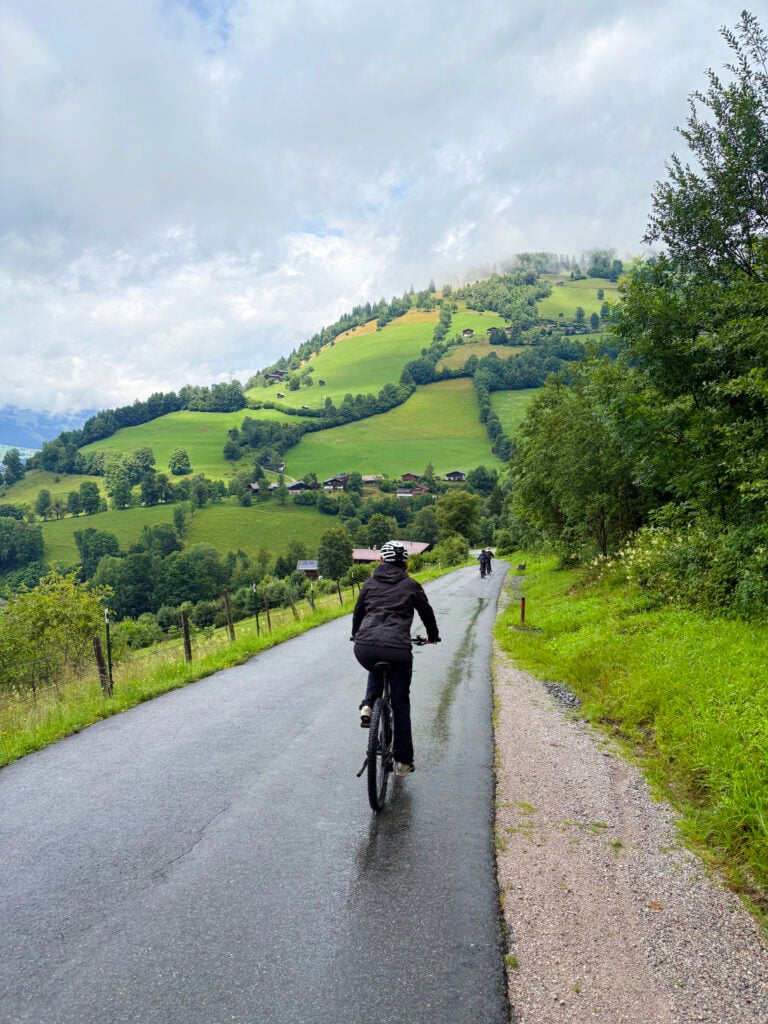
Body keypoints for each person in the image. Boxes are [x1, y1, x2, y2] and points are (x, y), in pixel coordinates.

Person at [351, 540, 440, 777]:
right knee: (400, 702)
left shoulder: (369, 584)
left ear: (381, 561)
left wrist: (355, 635)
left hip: (365, 647)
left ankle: (369, 704)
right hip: (397, 650)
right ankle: (403, 762)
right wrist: (433, 637)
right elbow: (426, 612)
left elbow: (358, 612)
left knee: (375, 664)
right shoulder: (411, 584)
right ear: (405, 562)